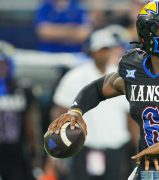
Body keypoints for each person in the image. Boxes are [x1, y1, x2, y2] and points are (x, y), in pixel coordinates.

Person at [47, 0, 159, 179]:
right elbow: (98, 88)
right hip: (151, 171)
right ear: (146, 32)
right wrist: (76, 110)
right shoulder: (134, 68)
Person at [50, 26, 131, 180]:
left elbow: (130, 115)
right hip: (82, 147)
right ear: (92, 51)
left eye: (107, 49)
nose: (103, 53)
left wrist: (137, 147)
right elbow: (59, 111)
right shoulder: (75, 76)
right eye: (100, 49)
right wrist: (57, 146)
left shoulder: (121, 77)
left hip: (115, 147)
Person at [0, 51, 43, 180]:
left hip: (16, 152)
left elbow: (32, 124)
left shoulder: (22, 89)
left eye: (2, 65)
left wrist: (36, 153)